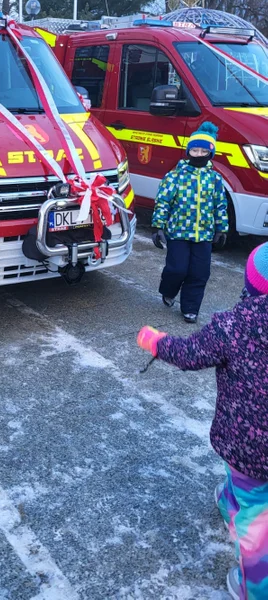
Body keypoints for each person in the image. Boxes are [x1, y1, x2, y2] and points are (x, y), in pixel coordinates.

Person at [137, 241, 268, 600]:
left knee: (256, 517)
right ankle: (229, 500)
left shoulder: (233, 324)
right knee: (245, 482)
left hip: (249, 445)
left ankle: (255, 588)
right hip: (250, 448)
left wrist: (157, 343)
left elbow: (190, 354)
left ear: (251, 285)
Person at [151, 121, 228, 323]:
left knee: (200, 272)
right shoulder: (175, 176)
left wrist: (221, 229)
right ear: (188, 151)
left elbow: (220, 204)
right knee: (177, 269)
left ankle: (191, 308)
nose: (199, 154)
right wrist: (158, 226)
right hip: (178, 232)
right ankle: (168, 290)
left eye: (204, 151)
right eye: (195, 150)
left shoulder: (215, 179)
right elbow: (163, 202)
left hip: (204, 234)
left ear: (210, 153)